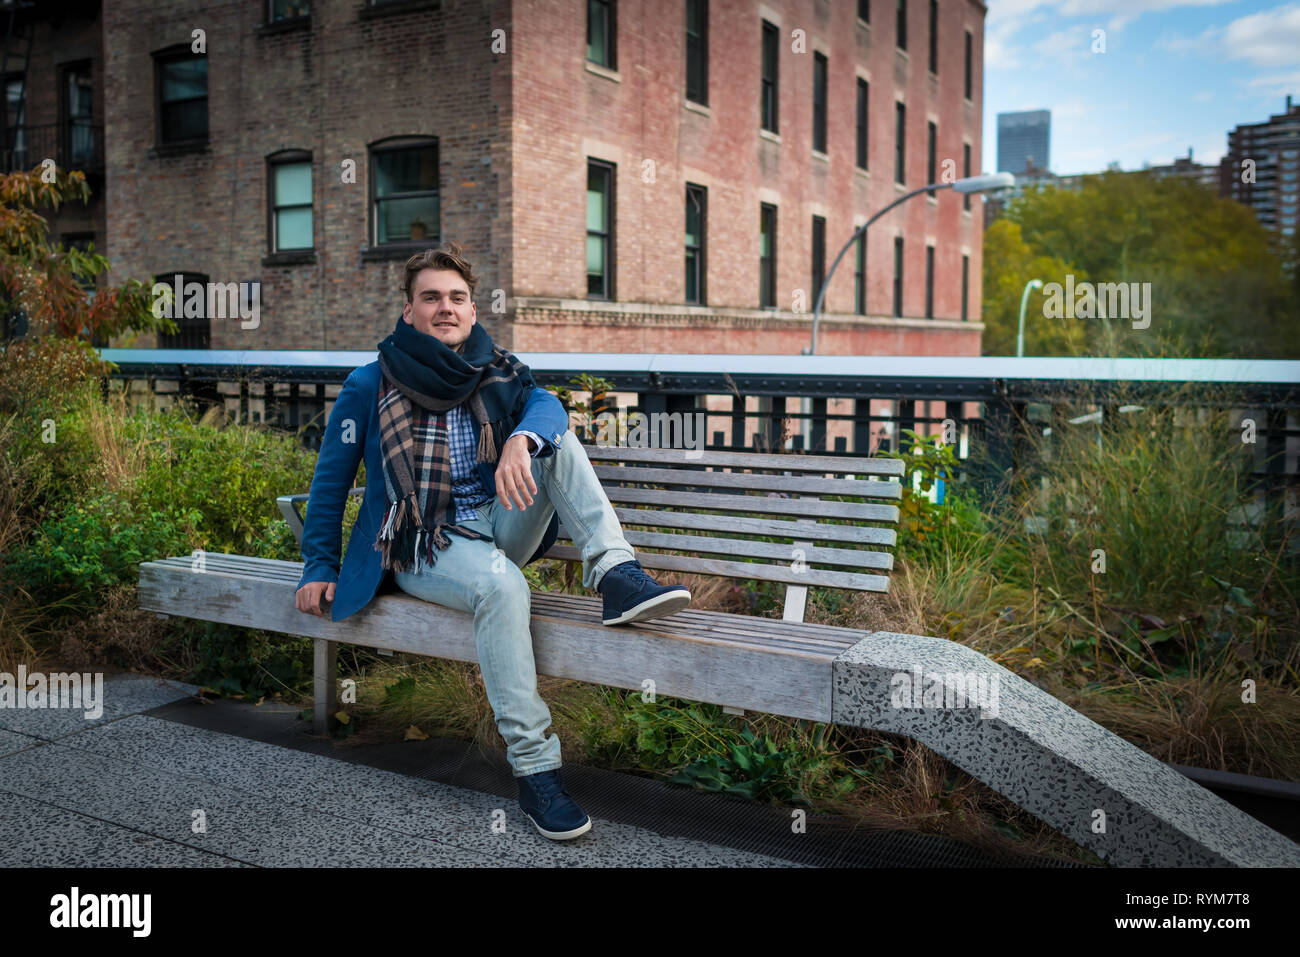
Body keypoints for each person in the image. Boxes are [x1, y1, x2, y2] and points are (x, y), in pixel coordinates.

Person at [293, 243, 691, 841]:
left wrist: (521, 439)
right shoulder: (370, 382)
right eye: (431, 298)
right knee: (503, 587)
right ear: (409, 311)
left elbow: (548, 406)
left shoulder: (500, 369)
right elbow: (330, 483)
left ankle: (614, 572)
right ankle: (537, 773)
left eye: (456, 298)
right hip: (426, 545)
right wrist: (317, 565)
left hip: (501, 522)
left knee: (553, 439)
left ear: (473, 311)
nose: (445, 308)